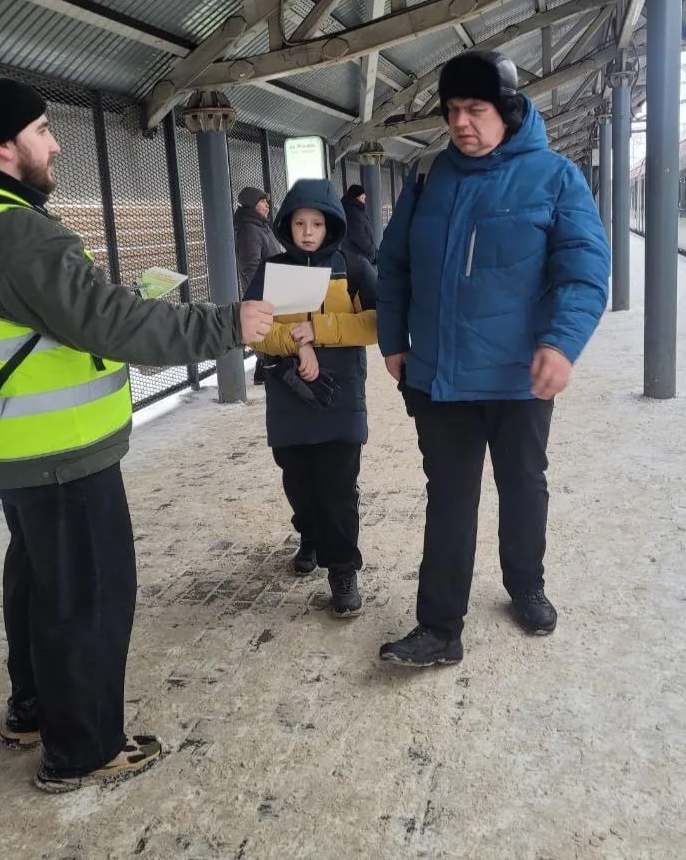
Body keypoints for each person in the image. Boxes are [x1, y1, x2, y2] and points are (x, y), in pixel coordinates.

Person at [0, 77, 274, 791]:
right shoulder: (10, 230)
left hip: (19, 452)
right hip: (58, 455)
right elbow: (109, 325)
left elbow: (64, 319)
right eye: (41, 130)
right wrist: (224, 325)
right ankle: (81, 750)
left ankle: (34, 710)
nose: (55, 143)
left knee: (40, 585)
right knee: (87, 597)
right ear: (4, 146)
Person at [376, 50, 610, 667]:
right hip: (440, 379)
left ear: (506, 112)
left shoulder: (555, 178)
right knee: (449, 497)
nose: (460, 123)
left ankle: (525, 585)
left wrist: (560, 343)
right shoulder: (427, 176)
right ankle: (438, 628)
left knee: (522, 485)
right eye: (452, 110)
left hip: (516, 381)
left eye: (475, 109)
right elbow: (394, 264)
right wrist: (393, 340)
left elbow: (584, 273)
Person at [243, 179, 377, 614]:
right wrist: (297, 344)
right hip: (289, 394)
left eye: (316, 223)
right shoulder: (271, 271)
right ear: (286, 224)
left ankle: (342, 570)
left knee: (338, 486)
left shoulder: (353, 268)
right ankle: (310, 535)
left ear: (331, 225)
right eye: (299, 222)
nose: (307, 231)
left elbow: (379, 323)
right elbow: (255, 332)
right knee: (298, 480)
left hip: (341, 395)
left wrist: (321, 331)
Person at [233, 187, 283, 384]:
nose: (267, 206)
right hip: (262, 289)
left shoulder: (260, 225)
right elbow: (249, 264)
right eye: (263, 202)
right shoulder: (249, 228)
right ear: (254, 205)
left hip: (271, 285)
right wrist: (261, 288)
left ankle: (265, 367)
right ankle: (264, 368)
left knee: (269, 327)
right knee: (263, 328)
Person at [340, 184, 376, 264]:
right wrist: (371, 249)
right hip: (359, 257)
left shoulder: (353, 210)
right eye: (363, 198)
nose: (364, 201)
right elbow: (359, 236)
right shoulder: (353, 213)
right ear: (357, 198)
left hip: (357, 255)